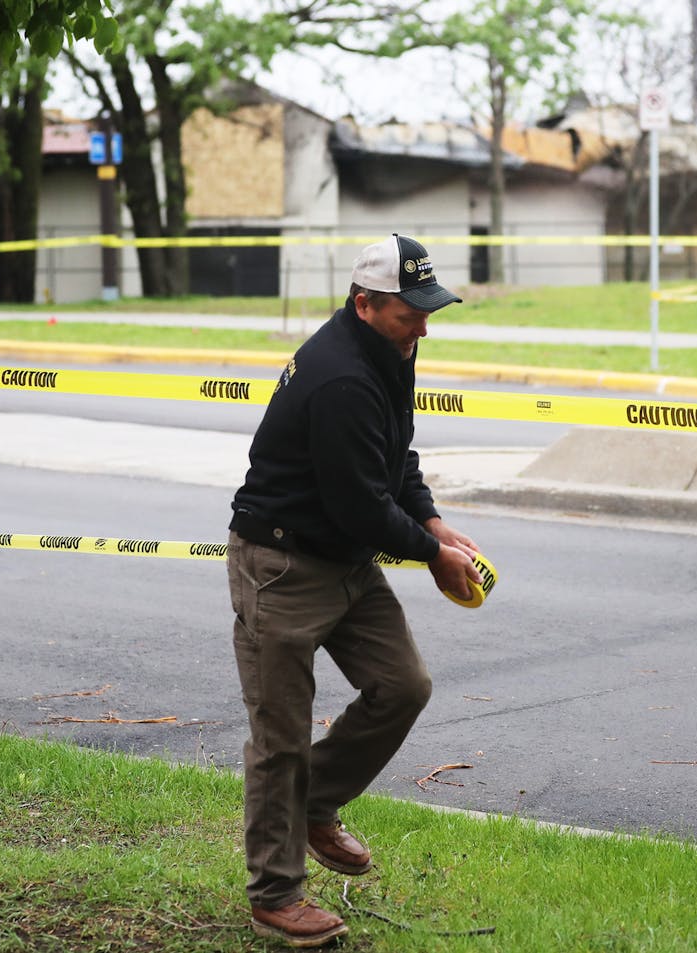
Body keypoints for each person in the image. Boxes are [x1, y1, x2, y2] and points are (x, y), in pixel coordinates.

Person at [226, 233, 483, 947]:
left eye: (430, 309)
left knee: (403, 684)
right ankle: (275, 896)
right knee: (280, 738)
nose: (425, 325)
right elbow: (361, 506)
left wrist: (431, 517)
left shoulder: (390, 347)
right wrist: (431, 552)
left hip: (345, 559)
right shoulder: (339, 376)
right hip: (280, 564)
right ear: (365, 304)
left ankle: (316, 801)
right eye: (412, 312)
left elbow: (395, 453)